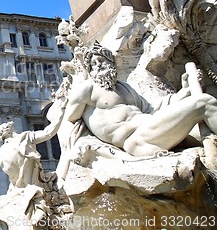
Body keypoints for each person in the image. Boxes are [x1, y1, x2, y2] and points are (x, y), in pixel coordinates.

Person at [63, 42, 217, 157]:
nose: (98, 65)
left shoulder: (125, 87)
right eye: (93, 64)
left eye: (102, 61)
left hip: (154, 128)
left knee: (209, 135)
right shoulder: (87, 89)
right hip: (137, 140)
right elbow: (69, 121)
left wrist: (186, 90)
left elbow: (152, 109)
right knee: (205, 103)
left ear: (112, 63)